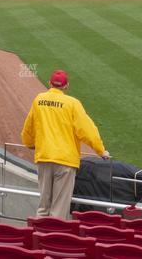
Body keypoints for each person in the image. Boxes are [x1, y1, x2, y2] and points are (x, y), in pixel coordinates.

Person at [20, 69, 109, 219]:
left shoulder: (39, 100)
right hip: (65, 161)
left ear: (50, 83)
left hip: (44, 157)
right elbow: (87, 130)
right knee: (59, 210)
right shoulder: (72, 103)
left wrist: (29, 143)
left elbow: (29, 127)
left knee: (43, 207)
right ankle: (54, 234)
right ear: (66, 86)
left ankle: (39, 232)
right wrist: (101, 151)